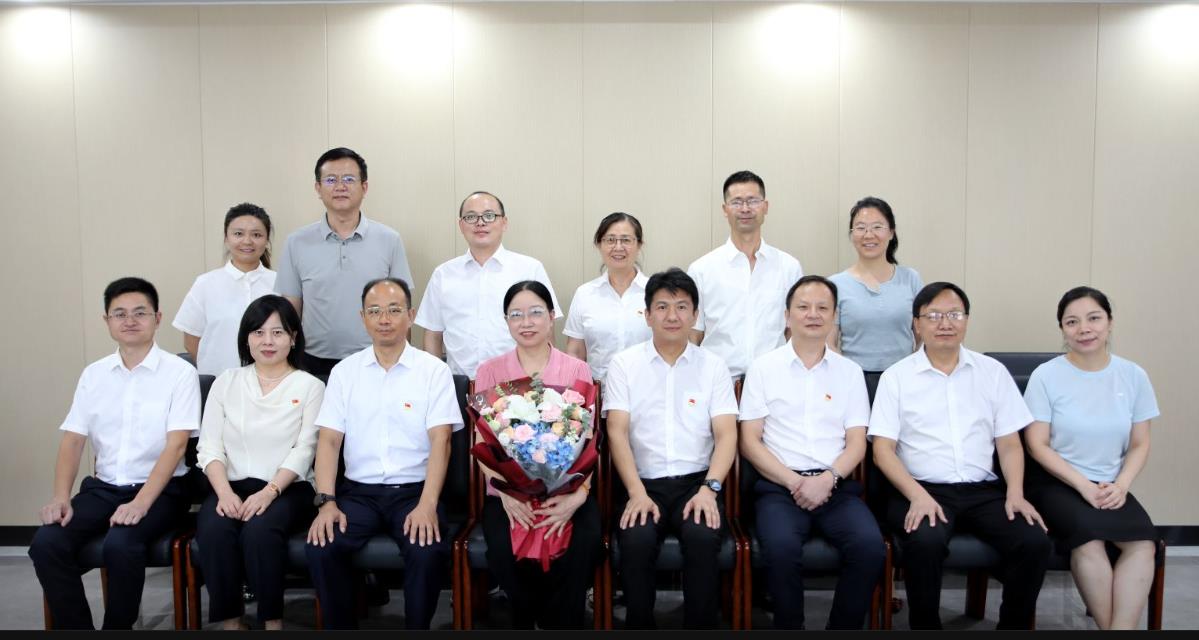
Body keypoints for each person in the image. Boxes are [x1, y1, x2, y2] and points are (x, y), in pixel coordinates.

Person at [868, 281, 1051, 630]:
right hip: (921, 488)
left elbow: (1009, 443)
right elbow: (882, 451)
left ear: (966, 320)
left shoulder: (992, 372)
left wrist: (1015, 493)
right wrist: (917, 495)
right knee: (925, 542)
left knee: (1033, 541)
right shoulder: (897, 377)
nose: (945, 323)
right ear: (916, 324)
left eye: (954, 314)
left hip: (983, 491)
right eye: (933, 316)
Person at [29, 277, 200, 629]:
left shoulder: (180, 373)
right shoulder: (94, 375)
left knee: (121, 543)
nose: (130, 320)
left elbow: (177, 445)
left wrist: (140, 503)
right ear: (106, 321)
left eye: (140, 312)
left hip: (162, 492)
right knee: (47, 542)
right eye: (119, 314)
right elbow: (73, 440)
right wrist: (61, 497)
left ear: (157, 318)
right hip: (103, 488)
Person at [305, 277, 462, 630]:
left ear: (411, 315)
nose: (384, 319)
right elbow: (329, 442)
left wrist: (428, 504)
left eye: (394, 310)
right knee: (322, 546)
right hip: (358, 494)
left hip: (414, 492)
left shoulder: (433, 371)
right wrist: (326, 502)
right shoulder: (344, 373)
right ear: (363, 318)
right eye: (374, 311)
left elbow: (441, 441)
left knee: (426, 549)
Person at [739, 275, 886, 630]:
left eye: (823, 308)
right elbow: (750, 441)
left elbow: (857, 442)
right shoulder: (763, 368)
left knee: (869, 547)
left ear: (834, 317)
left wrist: (828, 479)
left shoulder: (850, 372)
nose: (813, 314)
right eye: (803, 307)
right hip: (779, 487)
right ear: (787, 316)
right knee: (780, 549)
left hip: (835, 487)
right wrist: (794, 482)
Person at [604, 268, 738, 629]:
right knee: (636, 540)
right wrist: (636, 493)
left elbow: (727, 435)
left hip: (697, 483)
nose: (672, 316)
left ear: (695, 314)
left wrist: (710, 490)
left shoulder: (713, 366)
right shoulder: (624, 365)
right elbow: (617, 432)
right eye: (662, 307)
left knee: (702, 536)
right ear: (647, 315)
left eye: (681, 306)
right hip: (642, 483)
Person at [1023, 286, 1159, 630]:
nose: (1084, 328)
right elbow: (1037, 445)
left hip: (1110, 483)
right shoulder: (1046, 376)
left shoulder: (1133, 375)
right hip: (1056, 482)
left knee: (1143, 545)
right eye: (1072, 322)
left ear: (1109, 322)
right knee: (1089, 541)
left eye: (1094, 318)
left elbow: (1140, 443)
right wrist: (1083, 485)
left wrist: (1122, 485)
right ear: (1062, 329)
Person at [474, 281, 600, 629]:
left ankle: (562, 622)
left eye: (535, 313)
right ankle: (529, 619)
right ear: (506, 321)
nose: (526, 322)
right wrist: (505, 493)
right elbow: (482, 439)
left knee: (585, 540)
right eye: (516, 315)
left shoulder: (576, 369)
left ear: (551, 316)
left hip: (568, 487)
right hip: (507, 492)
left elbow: (588, 438)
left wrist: (579, 495)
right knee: (503, 547)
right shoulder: (489, 371)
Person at [194, 295, 324, 630]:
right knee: (215, 529)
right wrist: (224, 493)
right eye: (258, 332)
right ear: (246, 338)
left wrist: (269, 492)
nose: (268, 341)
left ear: (293, 338)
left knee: (260, 531)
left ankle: (271, 622)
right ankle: (231, 623)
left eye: (278, 333)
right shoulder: (227, 381)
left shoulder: (310, 386)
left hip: (288, 488)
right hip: (230, 485)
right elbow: (209, 447)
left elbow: (305, 449)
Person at [275, 147, 414, 377]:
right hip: (312, 363)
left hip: (376, 360)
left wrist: (403, 364)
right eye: (331, 180)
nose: (340, 186)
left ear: (364, 187)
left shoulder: (389, 240)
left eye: (349, 179)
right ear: (318, 188)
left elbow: (401, 307)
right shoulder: (296, 242)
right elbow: (290, 311)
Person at [416, 191, 560, 378]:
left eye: (489, 215)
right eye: (471, 217)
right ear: (461, 225)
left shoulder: (529, 269)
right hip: (459, 385)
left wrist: (543, 383)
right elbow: (432, 335)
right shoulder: (443, 274)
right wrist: (435, 382)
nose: (480, 223)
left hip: (519, 385)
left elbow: (546, 330)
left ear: (504, 222)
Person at [687, 170, 802, 378]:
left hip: (775, 380)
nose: (745, 209)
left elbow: (793, 330)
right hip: (718, 382)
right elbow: (694, 333)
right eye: (737, 202)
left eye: (753, 201)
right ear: (725, 209)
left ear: (765, 207)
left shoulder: (789, 267)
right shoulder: (702, 269)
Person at [174, 203, 278, 376]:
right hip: (219, 382)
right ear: (226, 238)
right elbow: (191, 340)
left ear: (266, 240)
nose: (247, 241)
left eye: (256, 235)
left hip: (271, 381)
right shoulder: (206, 284)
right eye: (238, 234)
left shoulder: (280, 283)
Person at [828, 196, 923, 373]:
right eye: (860, 228)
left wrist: (913, 372)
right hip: (854, 379)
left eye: (877, 227)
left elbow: (923, 338)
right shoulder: (836, 284)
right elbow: (829, 343)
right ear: (852, 234)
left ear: (891, 232)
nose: (869, 235)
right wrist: (849, 376)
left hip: (903, 378)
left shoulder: (911, 279)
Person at [564, 212, 651, 382]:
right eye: (610, 240)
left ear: (639, 244)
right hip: (599, 392)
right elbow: (575, 353)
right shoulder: (585, 294)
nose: (618, 247)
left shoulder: (655, 292)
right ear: (599, 244)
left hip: (647, 390)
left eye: (626, 240)